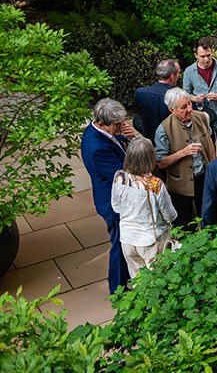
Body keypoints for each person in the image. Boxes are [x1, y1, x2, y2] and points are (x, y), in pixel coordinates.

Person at [81, 98, 136, 293]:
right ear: (102, 123)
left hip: (117, 197)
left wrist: (128, 136)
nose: (122, 126)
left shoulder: (101, 130)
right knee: (120, 246)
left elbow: (119, 142)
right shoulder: (96, 148)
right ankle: (117, 288)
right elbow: (124, 174)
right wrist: (137, 144)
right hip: (114, 203)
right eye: (117, 125)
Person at [110, 138, 177, 278]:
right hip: (151, 240)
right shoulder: (155, 184)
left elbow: (116, 207)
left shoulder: (119, 177)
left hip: (127, 238)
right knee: (157, 281)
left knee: (137, 281)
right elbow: (170, 215)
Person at [155, 87, 216, 230]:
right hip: (180, 185)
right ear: (172, 110)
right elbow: (161, 163)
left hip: (203, 177)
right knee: (184, 224)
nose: (189, 109)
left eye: (189, 103)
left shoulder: (201, 117)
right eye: (184, 107)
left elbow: (210, 142)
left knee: (209, 217)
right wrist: (183, 152)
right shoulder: (163, 129)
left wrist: (213, 164)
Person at [183, 37, 217, 152]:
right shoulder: (189, 71)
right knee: (207, 150)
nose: (206, 59)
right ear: (196, 55)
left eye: (208, 55)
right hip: (202, 117)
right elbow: (185, 93)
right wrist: (194, 98)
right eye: (202, 56)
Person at [133, 59, 179, 144]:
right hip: (170, 140)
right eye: (178, 73)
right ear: (172, 76)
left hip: (148, 136)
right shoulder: (177, 96)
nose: (179, 76)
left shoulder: (140, 93)